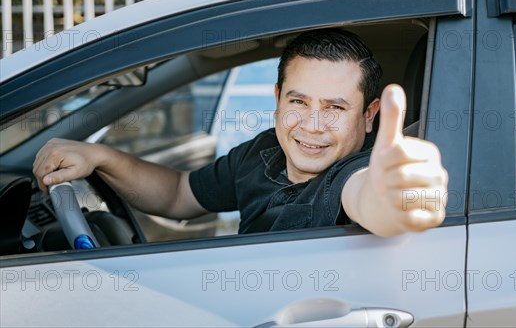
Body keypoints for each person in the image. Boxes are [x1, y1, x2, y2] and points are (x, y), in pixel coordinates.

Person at [33, 29, 447, 236]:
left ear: (370, 114)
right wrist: (101, 157)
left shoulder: (355, 172)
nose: (311, 126)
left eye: (336, 108)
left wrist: (404, 197)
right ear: (278, 98)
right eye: (299, 102)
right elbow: (179, 194)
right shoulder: (264, 152)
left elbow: (372, 197)